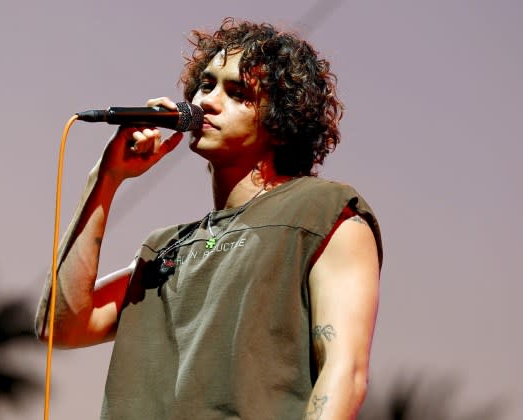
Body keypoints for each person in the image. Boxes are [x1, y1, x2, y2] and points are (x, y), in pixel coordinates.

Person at [35, 18, 382, 420]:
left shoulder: (326, 212)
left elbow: (345, 373)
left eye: (237, 93)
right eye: (206, 85)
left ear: (283, 123)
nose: (208, 103)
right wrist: (106, 179)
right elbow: (61, 327)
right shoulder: (165, 246)